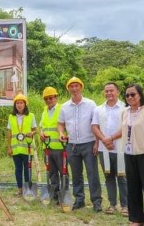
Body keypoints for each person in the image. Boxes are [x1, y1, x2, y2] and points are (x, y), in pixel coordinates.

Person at [106, 84, 144, 225]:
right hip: (130, 155)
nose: (130, 97)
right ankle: (137, 219)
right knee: (133, 188)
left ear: (140, 95)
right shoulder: (125, 113)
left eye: (133, 94)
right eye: (127, 95)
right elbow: (125, 131)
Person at [57, 77, 102, 212]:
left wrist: (97, 142)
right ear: (68, 89)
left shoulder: (91, 104)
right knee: (76, 174)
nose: (74, 88)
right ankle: (79, 200)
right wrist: (60, 133)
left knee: (92, 173)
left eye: (77, 86)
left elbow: (97, 124)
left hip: (89, 143)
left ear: (81, 87)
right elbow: (60, 123)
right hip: (72, 145)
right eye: (72, 86)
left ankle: (96, 201)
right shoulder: (64, 107)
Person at [91, 82, 128, 216]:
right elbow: (94, 126)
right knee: (109, 177)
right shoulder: (99, 109)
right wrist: (104, 140)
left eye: (111, 91)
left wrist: (110, 138)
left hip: (121, 148)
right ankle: (112, 204)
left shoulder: (125, 108)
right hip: (103, 149)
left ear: (117, 91)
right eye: (106, 91)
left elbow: (126, 127)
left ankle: (125, 205)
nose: (108, 93)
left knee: (123, 177)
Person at [38, 87, 66, 205]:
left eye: (51, 98)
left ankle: (64, 195)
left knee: (63, 173)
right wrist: (41, 134)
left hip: (60, 148)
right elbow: (41, 127)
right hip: (47, 148)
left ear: (56, 97)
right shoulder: (45, 111)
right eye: (46, 98)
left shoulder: (62, 109)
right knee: (52, 173)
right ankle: (54, 196)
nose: (49, 100)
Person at [7, 93, 37, 196]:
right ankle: (19, 189)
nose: (19, 105)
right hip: (16, 148)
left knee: (27, 169)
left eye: (21, 103)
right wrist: (9, 147)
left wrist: (31, 133)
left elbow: (35, 130)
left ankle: (27, 188)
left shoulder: (30, 116)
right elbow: (9, 133)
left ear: (25, 104)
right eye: (17, 103)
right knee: (18, 169)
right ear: (15, 105)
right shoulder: (11, 117)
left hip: (27, 148)